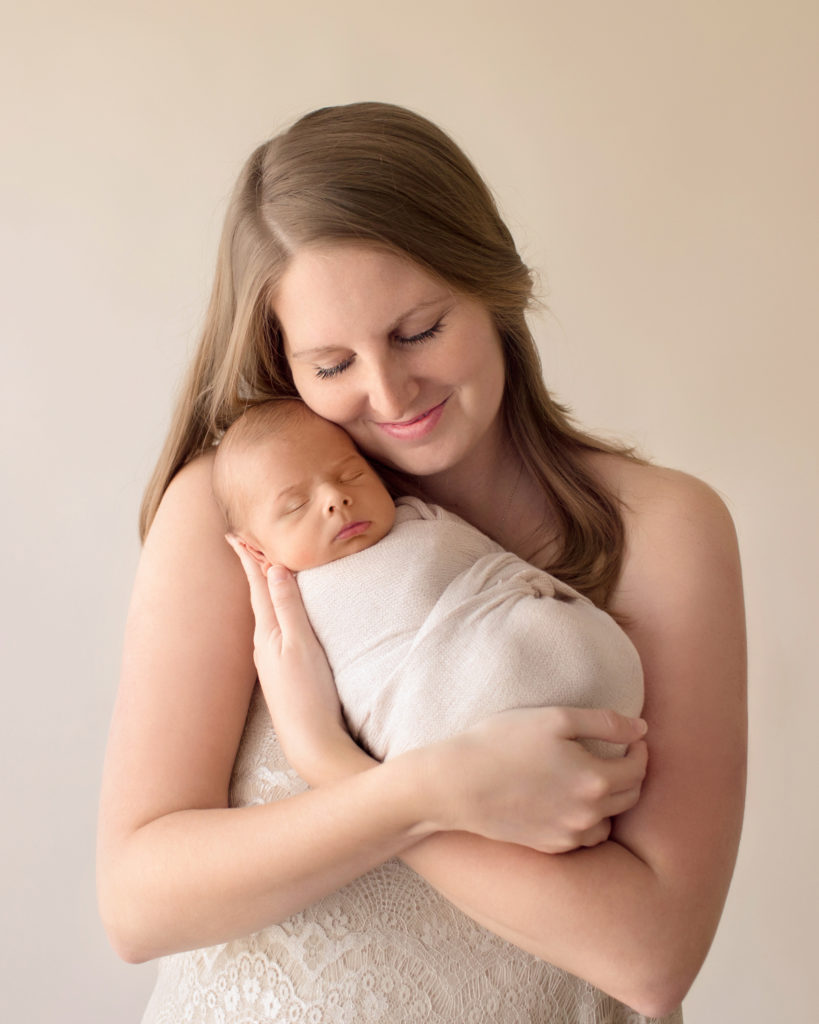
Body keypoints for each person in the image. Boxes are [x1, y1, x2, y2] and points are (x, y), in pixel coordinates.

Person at [97, 102, 746, 1024]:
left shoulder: (661, 529)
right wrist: (425, 791)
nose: (388, 393)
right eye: (331, 364)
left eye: (417, 331)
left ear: (494, 284)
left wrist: (337, 764)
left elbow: (648, 956)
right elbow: (137, 904)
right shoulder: (234, 512)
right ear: (283, 358)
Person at [212, 397, 644, 762]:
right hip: (445, 722)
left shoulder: (419, 518)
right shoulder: (295, 605)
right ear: (256, 549)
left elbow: (493, 567)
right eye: (295, 506)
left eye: (351, 475)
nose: (334, 498)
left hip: (575, 668)